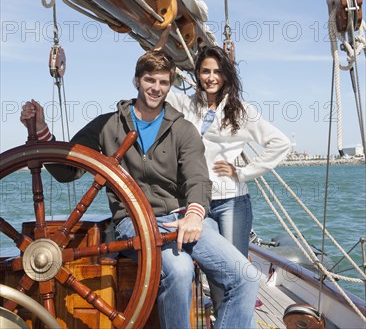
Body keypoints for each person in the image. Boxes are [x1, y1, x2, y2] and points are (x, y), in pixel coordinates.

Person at [20, 50, 259, 329]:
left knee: (246, 277)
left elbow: (197, 176)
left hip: (183, 218)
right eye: (149, 80)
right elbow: (67, 169)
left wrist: (195, 213)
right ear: (136, 80)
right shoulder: (107, 126)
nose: (156, 88)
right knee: (180, 271)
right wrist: (39, 131)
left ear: (170, 86)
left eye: (163, 82)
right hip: (135, 224)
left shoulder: (182, 129)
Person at [167, 45, 291, 259]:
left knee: (233, 265)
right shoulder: (184, 104)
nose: (211, 77)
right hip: (195, 201)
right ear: (197, 73)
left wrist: (243, 172)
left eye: (218, 71)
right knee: (209, 266)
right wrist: (160, 42)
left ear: (226, 74)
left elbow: (281, 143)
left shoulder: (241, 111)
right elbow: (155, 84)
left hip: (230, 201)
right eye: (206, 71)